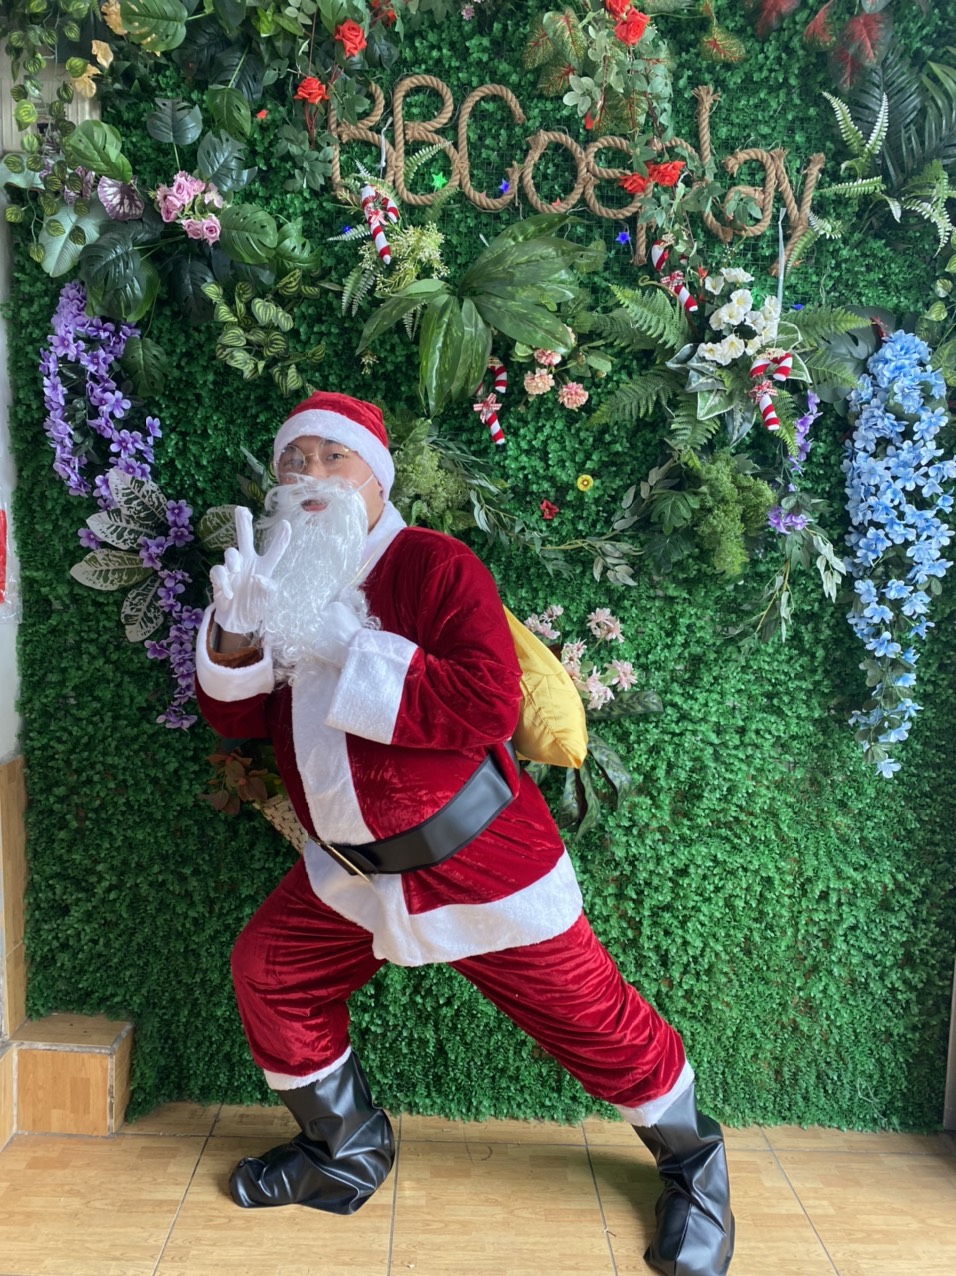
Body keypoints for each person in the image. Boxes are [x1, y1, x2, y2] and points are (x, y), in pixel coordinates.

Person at [195, 391, 734, 1276]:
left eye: (334, 458)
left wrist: (339, 641)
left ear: (377, 478)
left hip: (478, 859)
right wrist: (238, 636)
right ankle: (344, 1148)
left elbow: (485, 703)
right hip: (349, 872)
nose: (311, 476)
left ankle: (695, 1164)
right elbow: (237, 719)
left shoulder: (435, 564)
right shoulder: (274, 578)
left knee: (593, 1020)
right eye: (295, 460)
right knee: (273, 972)